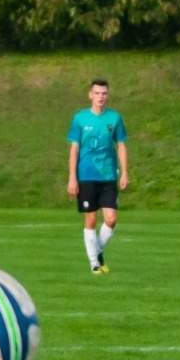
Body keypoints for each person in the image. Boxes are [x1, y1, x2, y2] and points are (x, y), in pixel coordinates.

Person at [66, 79, 129, 274]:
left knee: (111, 219)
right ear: (90, 95)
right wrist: (72, 177)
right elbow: (74, 150)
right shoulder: (80, 119)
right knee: (91, 220)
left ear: (107, 95)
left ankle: (97, 249)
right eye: (97, 93)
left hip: (108, 175)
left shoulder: (115, 118)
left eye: (104, 93)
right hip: (86, 175)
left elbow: (121, 145)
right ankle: (94, 262)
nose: (101, 97)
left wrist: (125, 171)